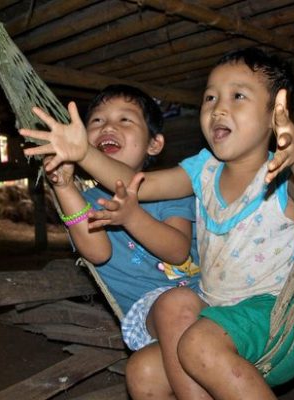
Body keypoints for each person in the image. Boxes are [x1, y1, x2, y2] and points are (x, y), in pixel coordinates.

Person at [21, 48, 294, 400]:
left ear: (275, 113)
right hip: (217, 316)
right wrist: (84, 153)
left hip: (272, 324)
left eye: (237, 96)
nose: (218, 108)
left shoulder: (279, 173)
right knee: (143, 373)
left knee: (197, 342)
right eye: (210, 97)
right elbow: (137, 185)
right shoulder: (201, 172)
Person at [40, 84, 204, 364]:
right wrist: (65, 188)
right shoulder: (84, 201)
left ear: (154, 144)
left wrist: (132, 217)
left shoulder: (169, 190)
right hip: (147, 313)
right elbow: (98, 253)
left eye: (124, 119)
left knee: (146, 374)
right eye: (97, 120)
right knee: (169, 318)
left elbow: (177, 251)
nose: (107, 127)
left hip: (205, 299)